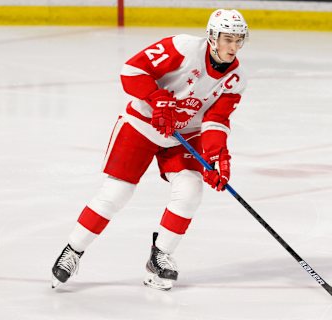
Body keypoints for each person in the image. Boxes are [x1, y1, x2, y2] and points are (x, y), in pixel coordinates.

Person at [51, 8, 249, 291]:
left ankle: (160, 257)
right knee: (117, 192)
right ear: (212, 37)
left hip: (184, 133)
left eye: (238, 40)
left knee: (191, 189)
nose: (233, 46)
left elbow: (216, 120)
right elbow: (131, 71)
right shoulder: (182, 47)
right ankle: (73, 250)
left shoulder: (236, 78)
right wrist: (157, 98)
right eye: (227, 38)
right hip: (142, 125)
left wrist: (216, 156)